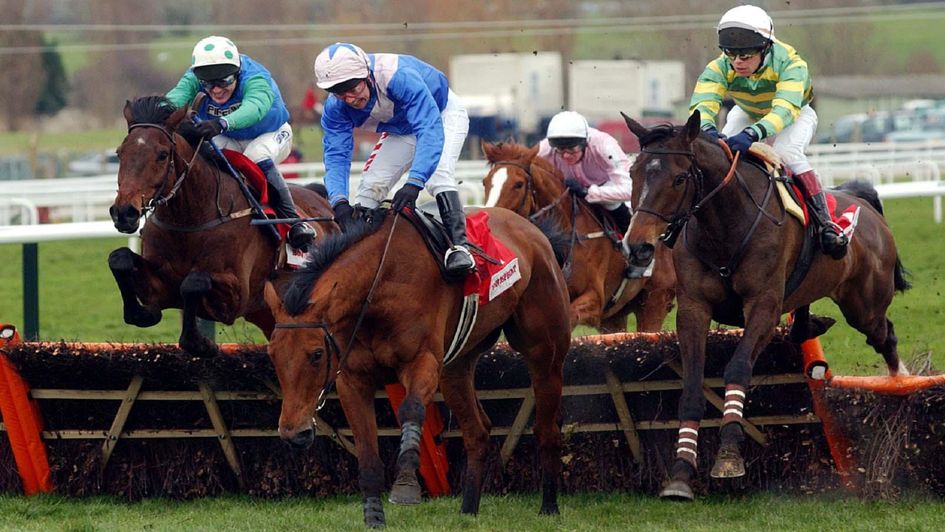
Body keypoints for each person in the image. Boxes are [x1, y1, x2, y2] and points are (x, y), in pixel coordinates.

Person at [689, 5, 848, 259]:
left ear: (765, 47)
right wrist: (707, 129)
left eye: (746, 55)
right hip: (747, 111)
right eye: (731, 54)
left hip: (795, 114)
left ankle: (825, 223)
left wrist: (753, 135)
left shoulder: (792, 64)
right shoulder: (720, 66)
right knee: (722, 152)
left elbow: (784, 111)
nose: (737, 62)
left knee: (786, 152)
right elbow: (703, 103)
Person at [313, 42, 475, 275]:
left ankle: (460, 247)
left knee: (437, 176)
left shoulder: (399, 78)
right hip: (402, 128)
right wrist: (339, 202)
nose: (348, 98)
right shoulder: (335, 109)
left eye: (352, 87)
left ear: (367, 75)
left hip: (441, 114)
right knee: (369, 188)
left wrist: (414, 183)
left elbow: (429, 130)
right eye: (338, 91)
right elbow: (336, 156)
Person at [166, 35, 315, 251]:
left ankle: (294, 223)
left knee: (256, 155)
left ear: (237, 72)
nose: (216, 90)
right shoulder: (194, 77)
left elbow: (255, 106)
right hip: (232, 135)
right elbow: (175, 99)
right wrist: (155, 115)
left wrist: (222, 123)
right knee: (204, 153)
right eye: (208, 84)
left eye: (223, 81)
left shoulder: (255, 76)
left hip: (271, 133)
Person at [538, 110, 633, 234]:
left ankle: (633, 245)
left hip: (606, 187)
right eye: (560, 149)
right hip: (568, 192)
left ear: (584, 143)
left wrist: (587, 192)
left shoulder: (604, 145)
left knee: (611, 204)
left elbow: (630, 189)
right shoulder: (545, 148)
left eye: (572, 149)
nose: (566, 156)